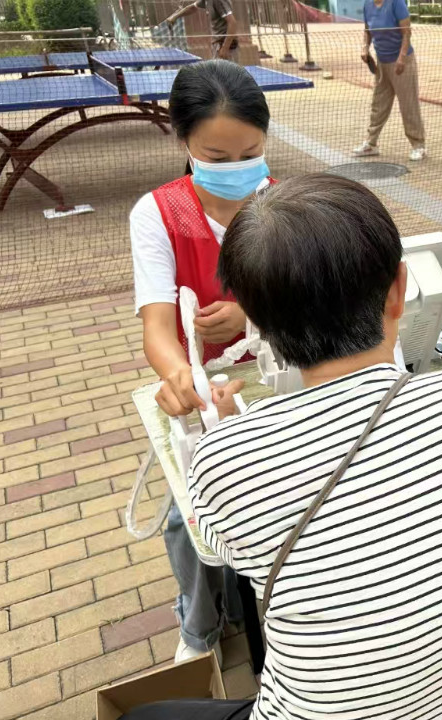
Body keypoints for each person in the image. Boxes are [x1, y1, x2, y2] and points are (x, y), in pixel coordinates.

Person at [108, 174, 442, 720]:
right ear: (399, 290)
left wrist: (227, 430)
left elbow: (234, 554)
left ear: (256, 323)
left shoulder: (225, 458)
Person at [130, 59, 274, 664]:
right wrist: (177, 375)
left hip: (277, 374)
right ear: (184, 142)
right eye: (217, 156)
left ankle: (282, 609)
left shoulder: (283, 204)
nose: (238, 168)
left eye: (252, 153)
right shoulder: (158, 214)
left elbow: (308, 297)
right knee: (185, 521)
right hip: (204, 388)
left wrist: (250, 314)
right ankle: (200, 625)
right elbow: (157, 324)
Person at [352, 0, 426, 161]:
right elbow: (367, 31)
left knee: (408, 105)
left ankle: (418, 145)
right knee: (378, 104)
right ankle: (371, 144)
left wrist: (402, 58)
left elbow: (406, 32)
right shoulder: (368, 5)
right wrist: (365, 48)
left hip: (401, 62)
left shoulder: (396, 3)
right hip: (382, 62)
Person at [165, 0, 239, 61]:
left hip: (226, 46)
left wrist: (225, 48)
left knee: (224, 73)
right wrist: (175, 16)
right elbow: (192, 8)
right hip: (217, 45)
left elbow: (232, 23)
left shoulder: (218, 1)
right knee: (216, 72)